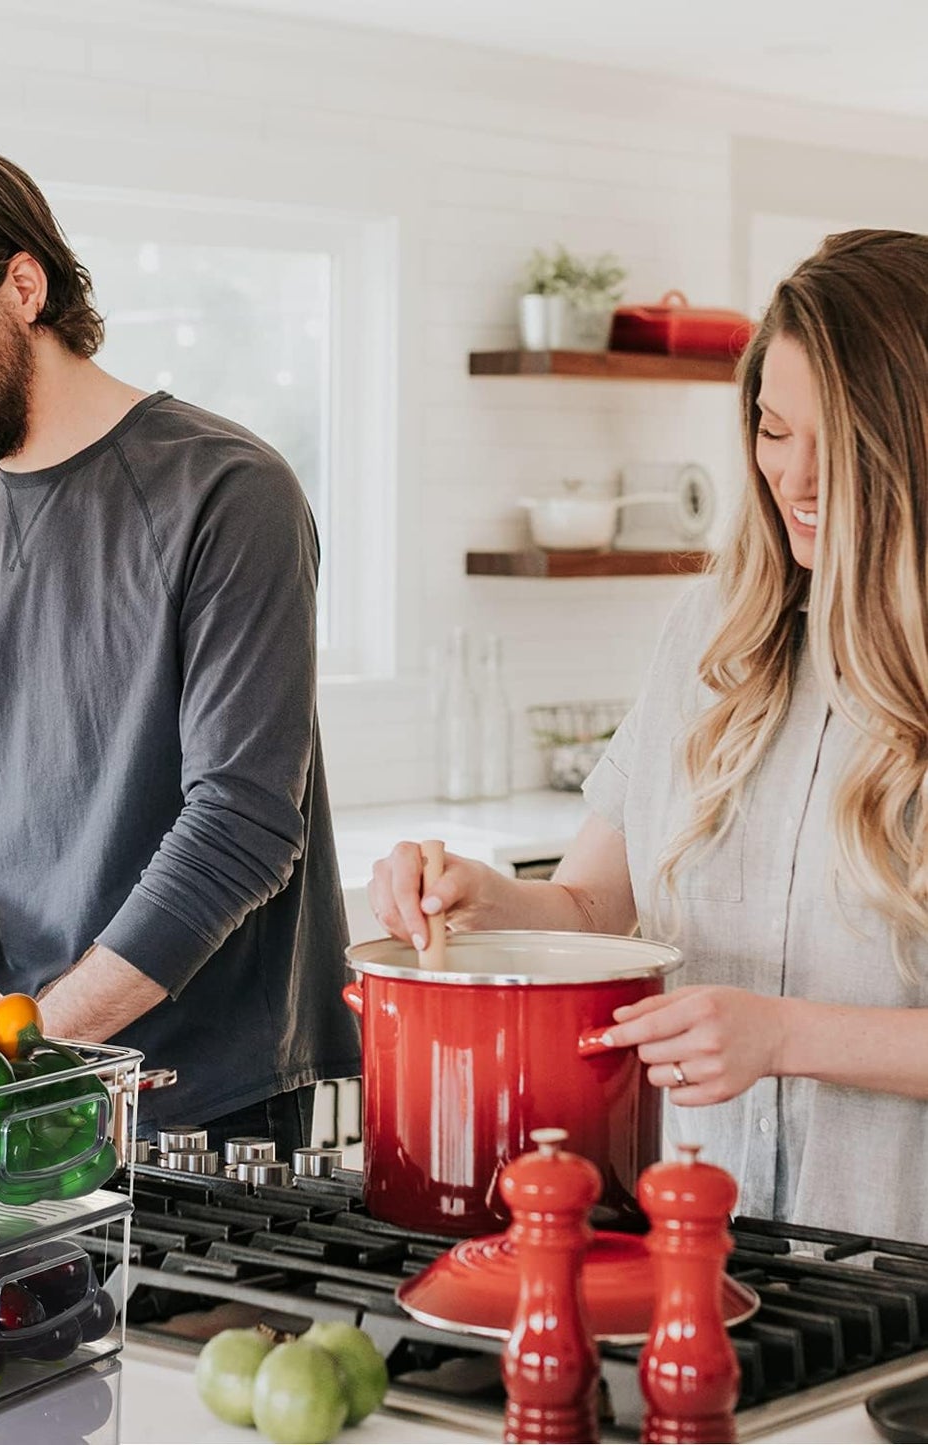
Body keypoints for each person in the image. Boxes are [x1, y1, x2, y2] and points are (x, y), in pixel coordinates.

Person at [370, 229, 928, 1240]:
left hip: (900, 1262)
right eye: (770, 430)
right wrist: (482, 899)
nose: (791, 479)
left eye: (832, 443)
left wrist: (788, 1035)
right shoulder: (709, 635)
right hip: (697, 1245)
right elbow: (592, 901)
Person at [0, 146, 360, 1150]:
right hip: (15, 1080)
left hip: (204, 1100)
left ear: (23, 285)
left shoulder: (228, 492)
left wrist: (28, 1051)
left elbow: (242, 824)